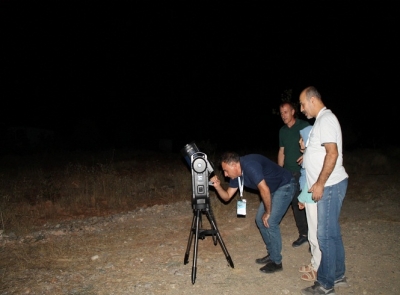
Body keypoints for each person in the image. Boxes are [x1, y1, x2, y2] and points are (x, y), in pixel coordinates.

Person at [299, 86, 349, 295]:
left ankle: (326, 283)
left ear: (312, 100)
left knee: (324, 235)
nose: (301, 109)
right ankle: (338, 274)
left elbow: (332, 153)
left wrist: (319, 183)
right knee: (333, 233)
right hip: (330, 185)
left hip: (329, 185)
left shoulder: (326, 119)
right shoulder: (321, 121)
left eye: (302, 104)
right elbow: (320, 153)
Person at [211, 152, 296, 273]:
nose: (225, 174)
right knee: (260, 220)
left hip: (285, 185)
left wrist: (268, 212)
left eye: (226, 170)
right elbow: (227, 197)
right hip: (272, 189)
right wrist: (218, 186)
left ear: (234, 165)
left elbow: (264, 189)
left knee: (270, 221)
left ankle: (277, 262)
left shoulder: (250, 165)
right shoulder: (236, 176)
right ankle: (272, 254)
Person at [278, 101, 310, 248]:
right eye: (281, 113)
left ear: (292, 111)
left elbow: (316, 145)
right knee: (295, 203)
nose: (283, 115)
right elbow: (282, 151)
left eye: (286, 112)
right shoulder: (282, 131)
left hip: (303, 171)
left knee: (306, 202)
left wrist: (307, 155)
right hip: (288, 172)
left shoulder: (303, 126)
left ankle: (311, 235)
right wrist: (279, 171)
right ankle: (304, 234)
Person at [297, 125, 321, 282]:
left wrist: (303, 198)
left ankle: (319, 268)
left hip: (314, 197)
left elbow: (311, 180)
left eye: (302, 139)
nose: (300, 142)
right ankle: (314, 263)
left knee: (315, 233)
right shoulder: (307, 155)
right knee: (312, 233)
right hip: (310, 197)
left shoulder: (312, 157)